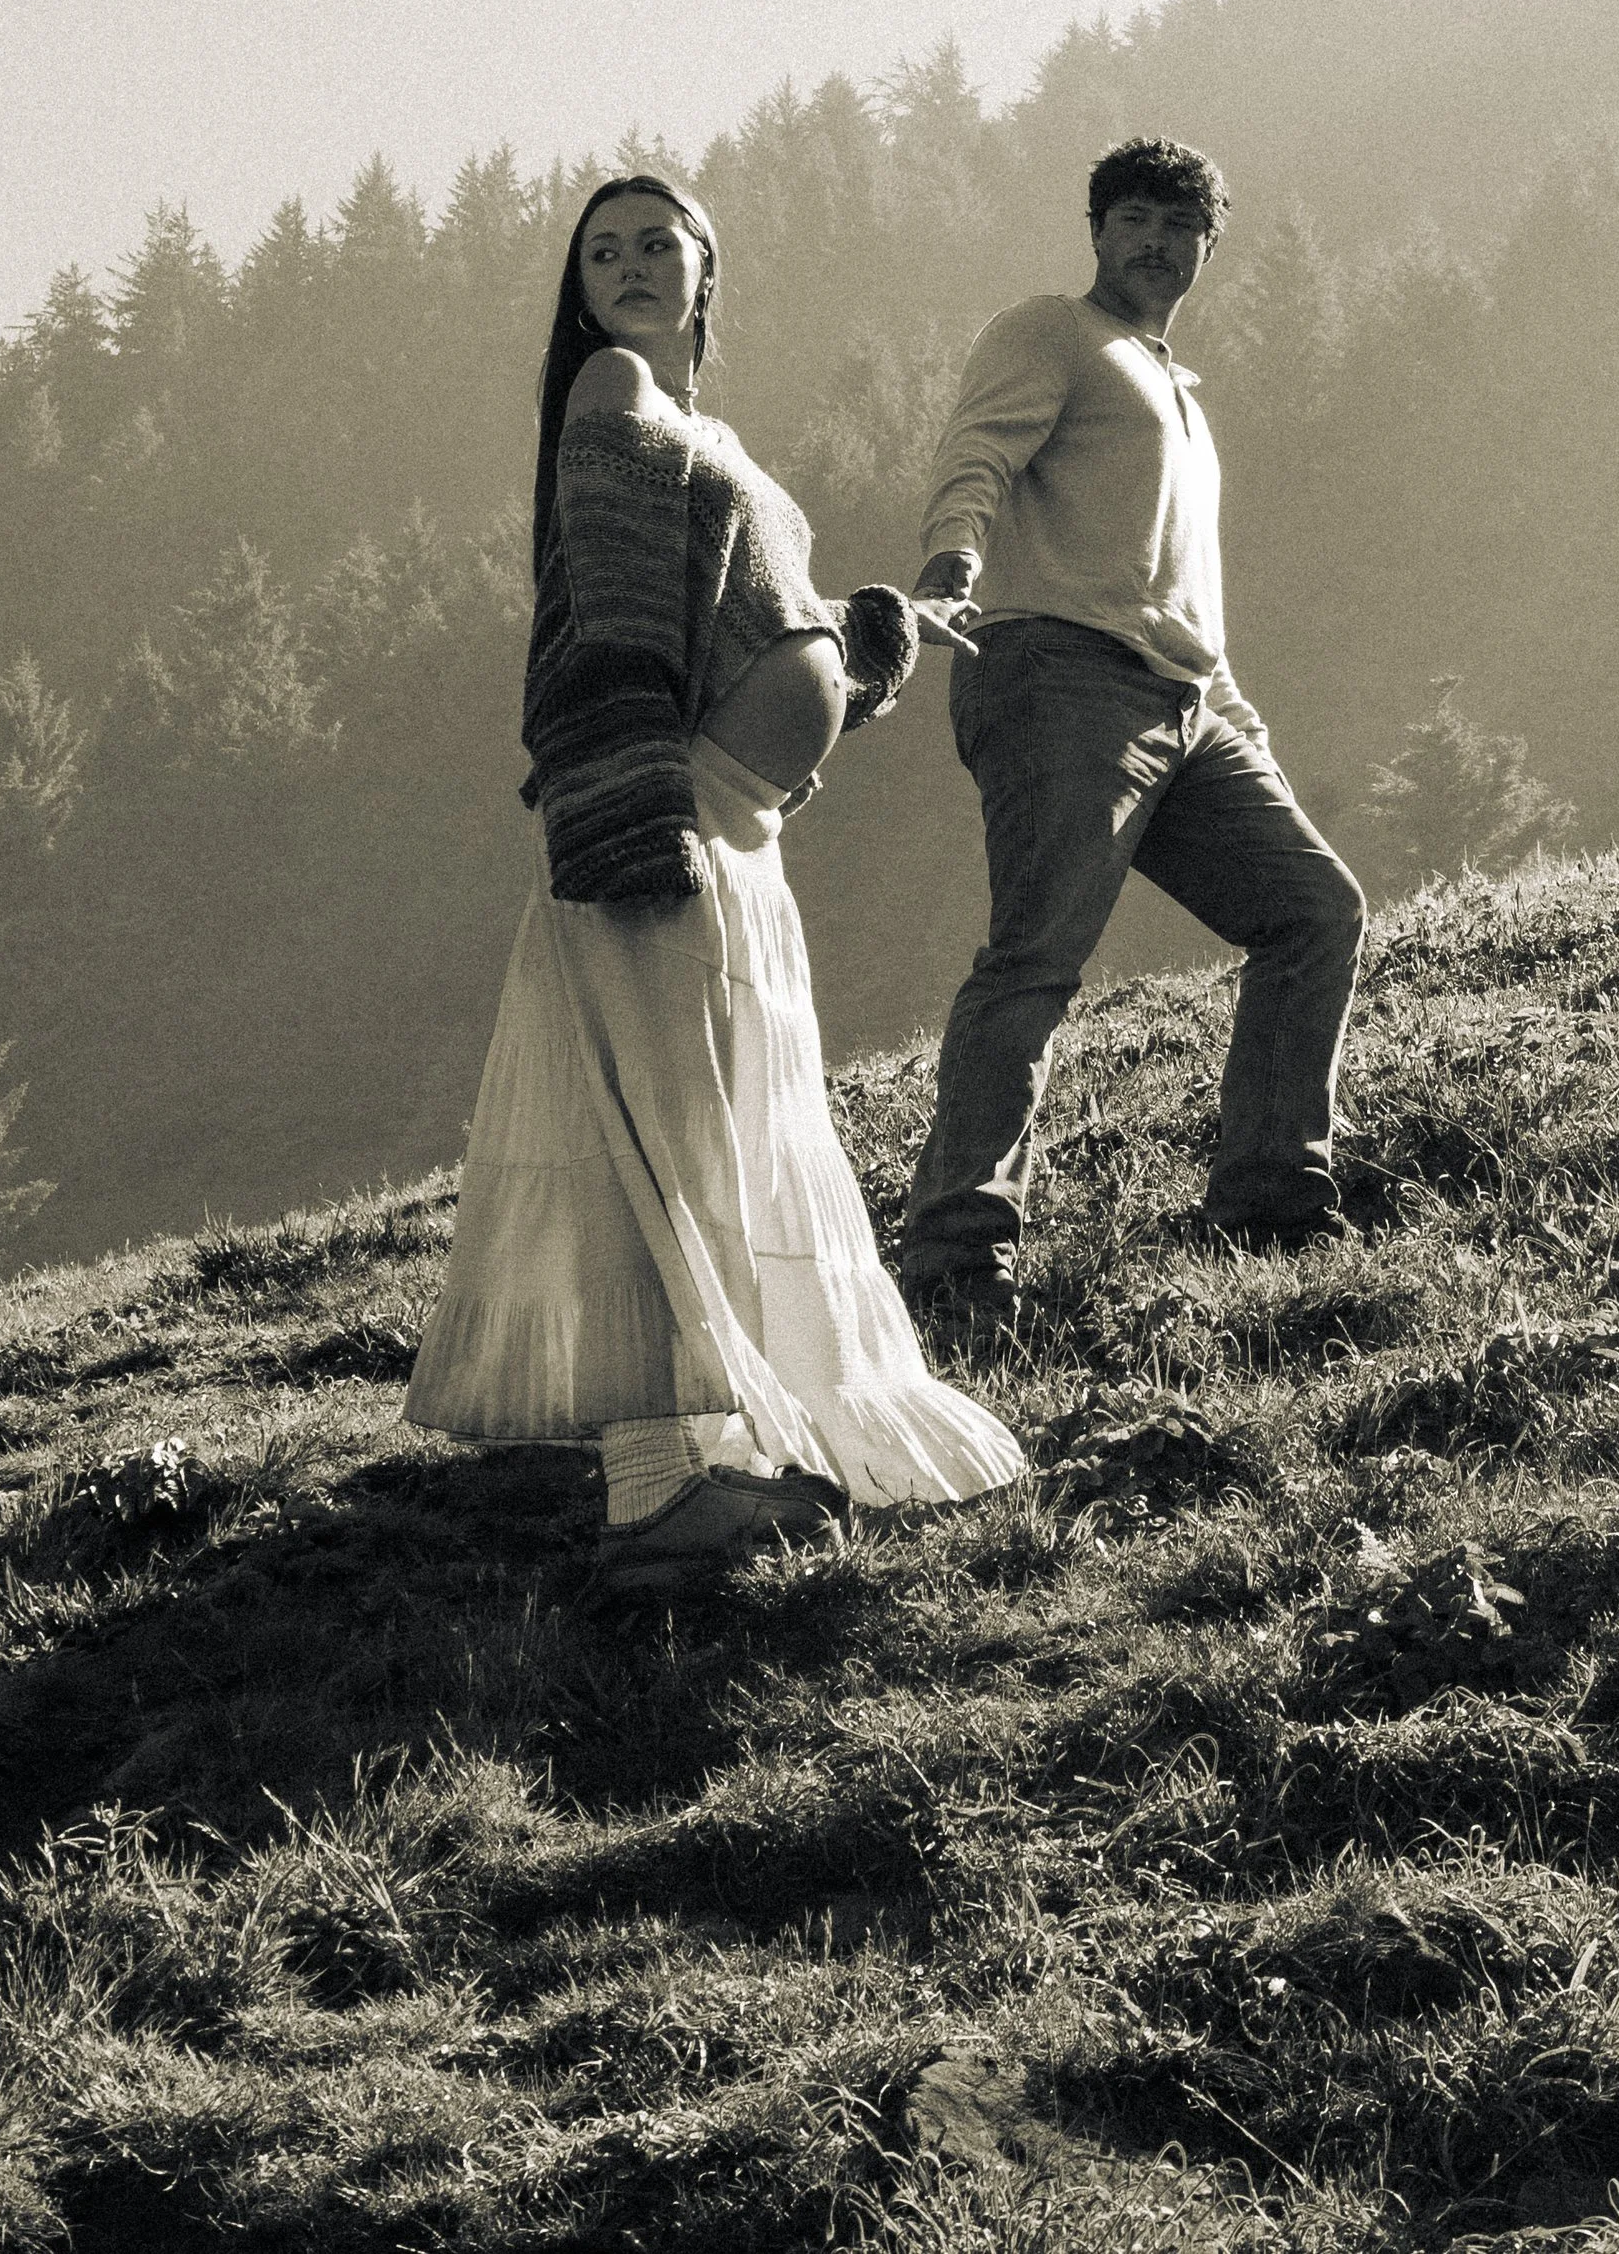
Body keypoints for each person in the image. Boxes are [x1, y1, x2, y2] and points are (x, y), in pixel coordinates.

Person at [405, 172, 1022, 1593]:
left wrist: (855, 644)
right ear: (583, 291)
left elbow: (742, 636)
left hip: (734, 830)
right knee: (666, 1141)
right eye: (600, 249)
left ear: (708, 269)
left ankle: (685, 1471)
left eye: (654, 242)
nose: (627, 263)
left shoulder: (700, 431)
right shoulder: (615, 391)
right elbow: (615, 628)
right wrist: (626, 809)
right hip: (666, 817)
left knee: (701, 1134)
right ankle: (651, 1495)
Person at [898, 135, 1366, 1340]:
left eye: (1180, 226)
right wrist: (949, 562)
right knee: (1038, 957)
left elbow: (1182, 597)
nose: (1156, 242)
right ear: (1097, 230)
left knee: (1312, 909)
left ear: (1208, 247)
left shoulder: (1180, 397)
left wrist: (1236, 722)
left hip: (1183, 701)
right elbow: (976, 454)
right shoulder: (1053, 331)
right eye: (1135, 219)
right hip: (1054, 672)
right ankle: (956, 1256)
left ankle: (1268, 1200)